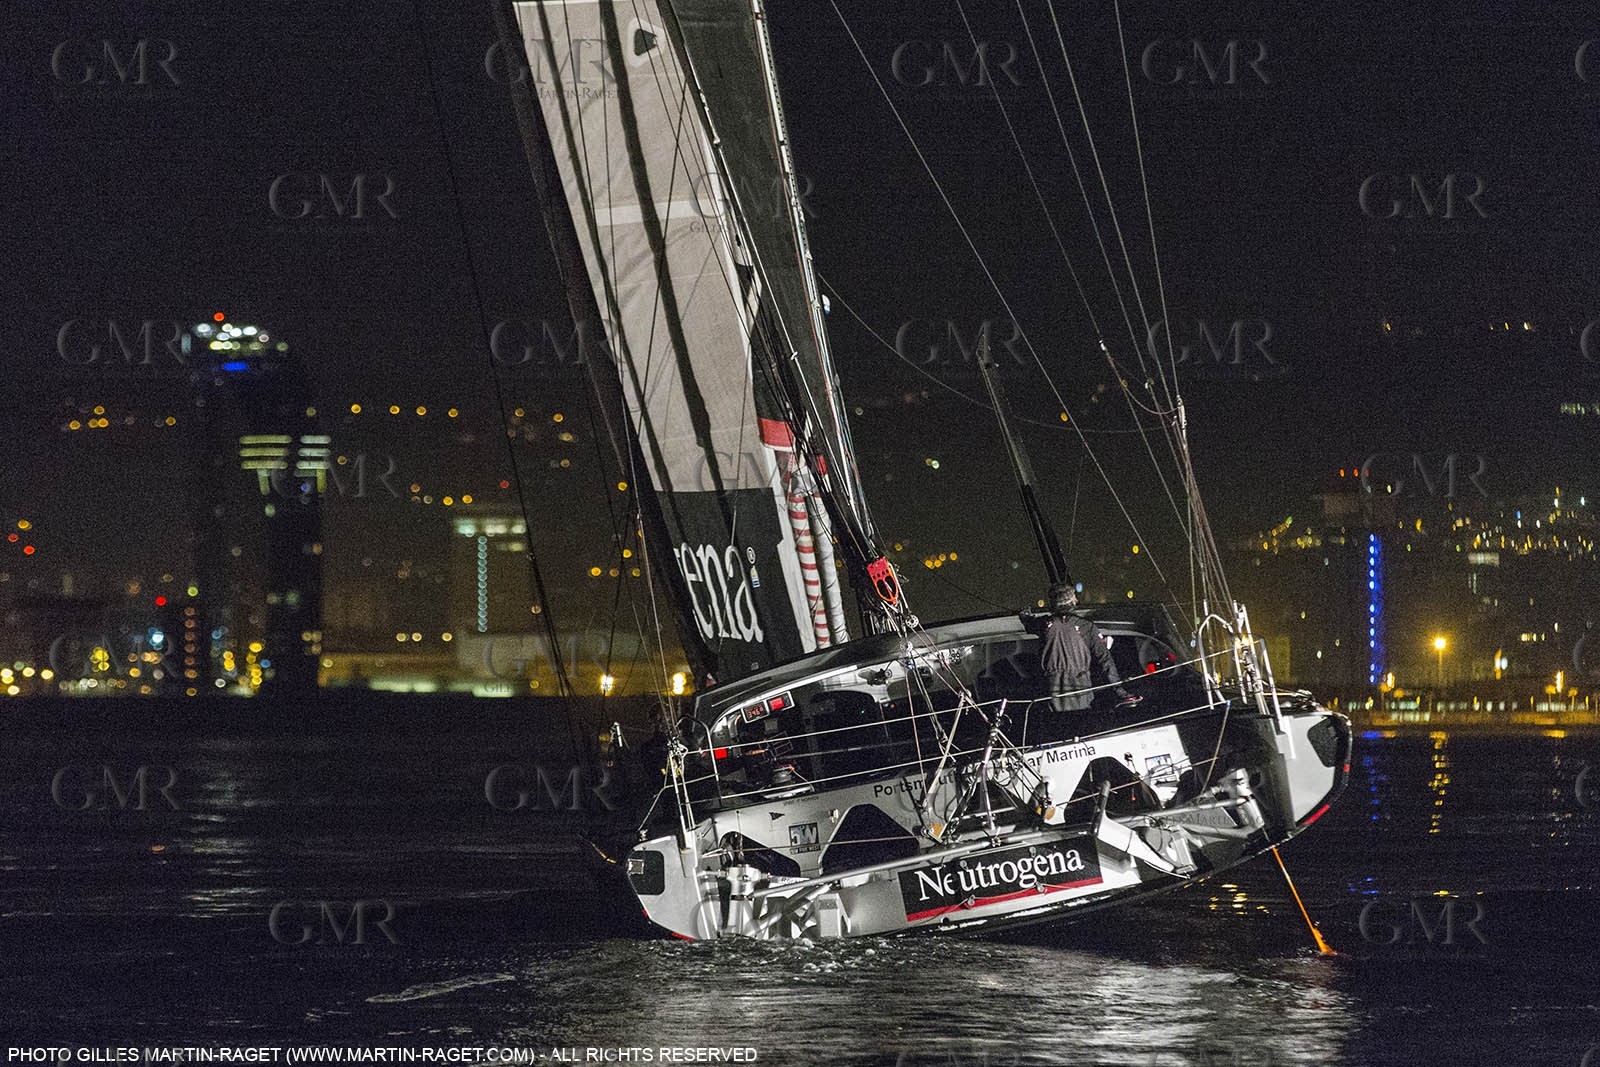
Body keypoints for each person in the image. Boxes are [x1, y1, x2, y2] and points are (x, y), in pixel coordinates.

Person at [1024, 583, 1140, 713]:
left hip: (1052, 686)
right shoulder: (1086, 626)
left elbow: (1028, 623)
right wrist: (1119, 690)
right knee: (1081, 718)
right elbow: (1105, 660)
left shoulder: (1044, 624)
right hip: (1081, 686)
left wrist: (1025, 615)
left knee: (1057, 719)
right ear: (1072, 601)